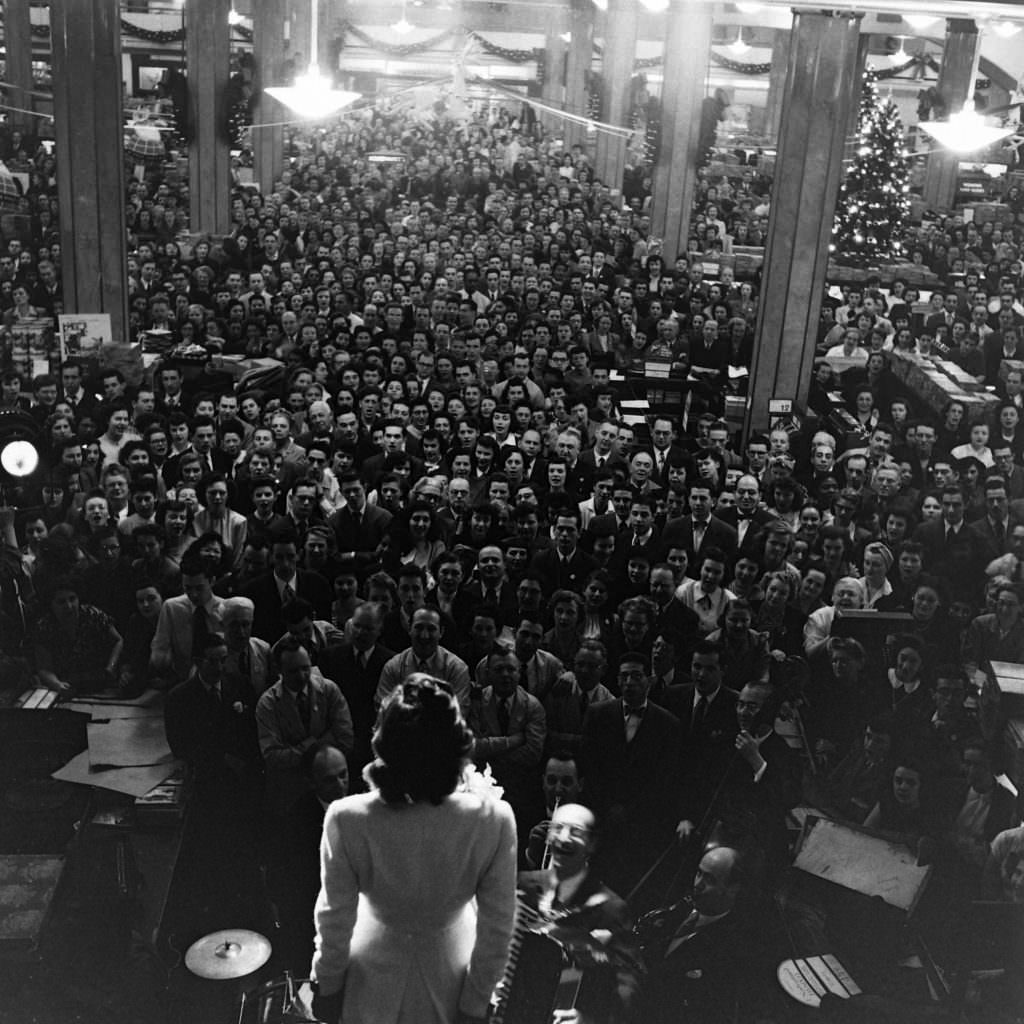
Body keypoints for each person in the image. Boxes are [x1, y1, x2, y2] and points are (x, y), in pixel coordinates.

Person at [308, 675, 517, 1024]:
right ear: (456, 746)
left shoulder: (347, 818)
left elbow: (334, 919)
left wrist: (328, 985)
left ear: (385, 744)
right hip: (452, 978)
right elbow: (497, 929)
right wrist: (476, 1002)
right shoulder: (492, 820)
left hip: (370, 979)